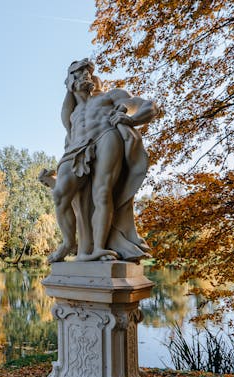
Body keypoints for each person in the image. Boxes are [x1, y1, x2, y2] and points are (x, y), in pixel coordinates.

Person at [42, 58, 157, 263]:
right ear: (69, 81)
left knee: (102, 193)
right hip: (78, 148)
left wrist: (131, 119)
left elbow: (148, 106)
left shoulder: (110, 97)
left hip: (106, 136)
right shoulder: (71, 113)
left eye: (87, 71)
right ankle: (69, 243)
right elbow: (69, 140)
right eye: (77, 72)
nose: (84, 74)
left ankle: (98, 248)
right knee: (61, 194)